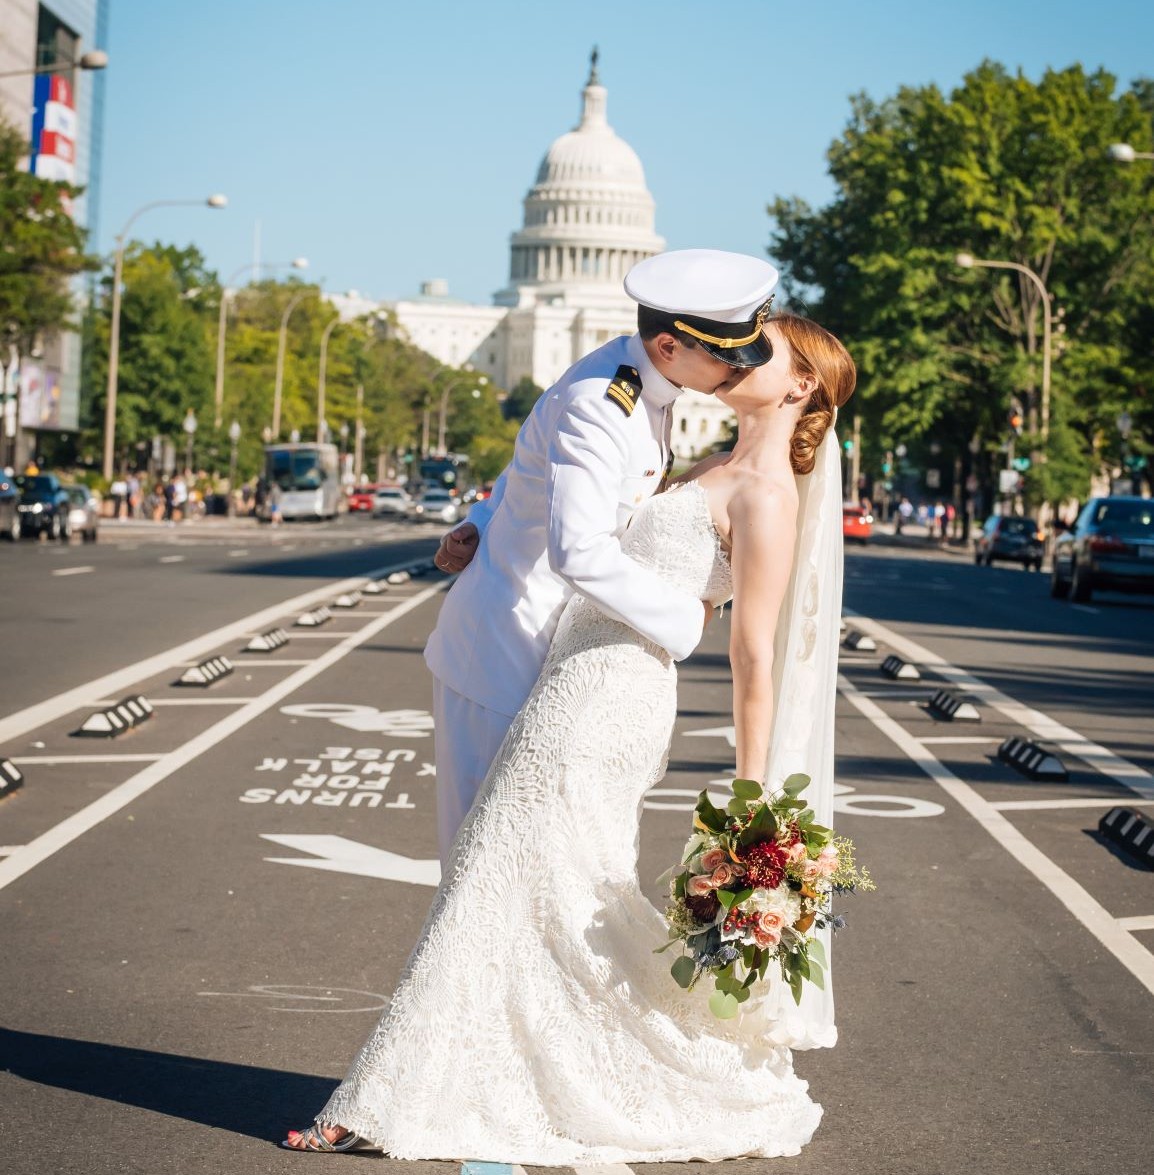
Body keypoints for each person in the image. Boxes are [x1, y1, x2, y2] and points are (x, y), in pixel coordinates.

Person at [282, 313, 857, 1159]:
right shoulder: (702, 458)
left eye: (756, 349)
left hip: (613, 695)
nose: (735, 356)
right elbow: (574, 499)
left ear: (803, 384)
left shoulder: (767, 495)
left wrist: (751, 796)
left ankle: (380, 1097)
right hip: (569, 674)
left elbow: (753, 656)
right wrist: (486, 524)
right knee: (535, 882)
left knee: (499, 871)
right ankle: (504, 1078)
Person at [425, 248, 780, 862]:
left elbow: (529, 473)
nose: (735, 370)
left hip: (555, 648)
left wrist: (480, 521)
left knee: (533, 862)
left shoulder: (644, 384)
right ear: (670, 346)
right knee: (481, 864)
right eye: (724, 356)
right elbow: (580, 551)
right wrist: (684, 619)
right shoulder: (601, 403)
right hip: (505, 655)